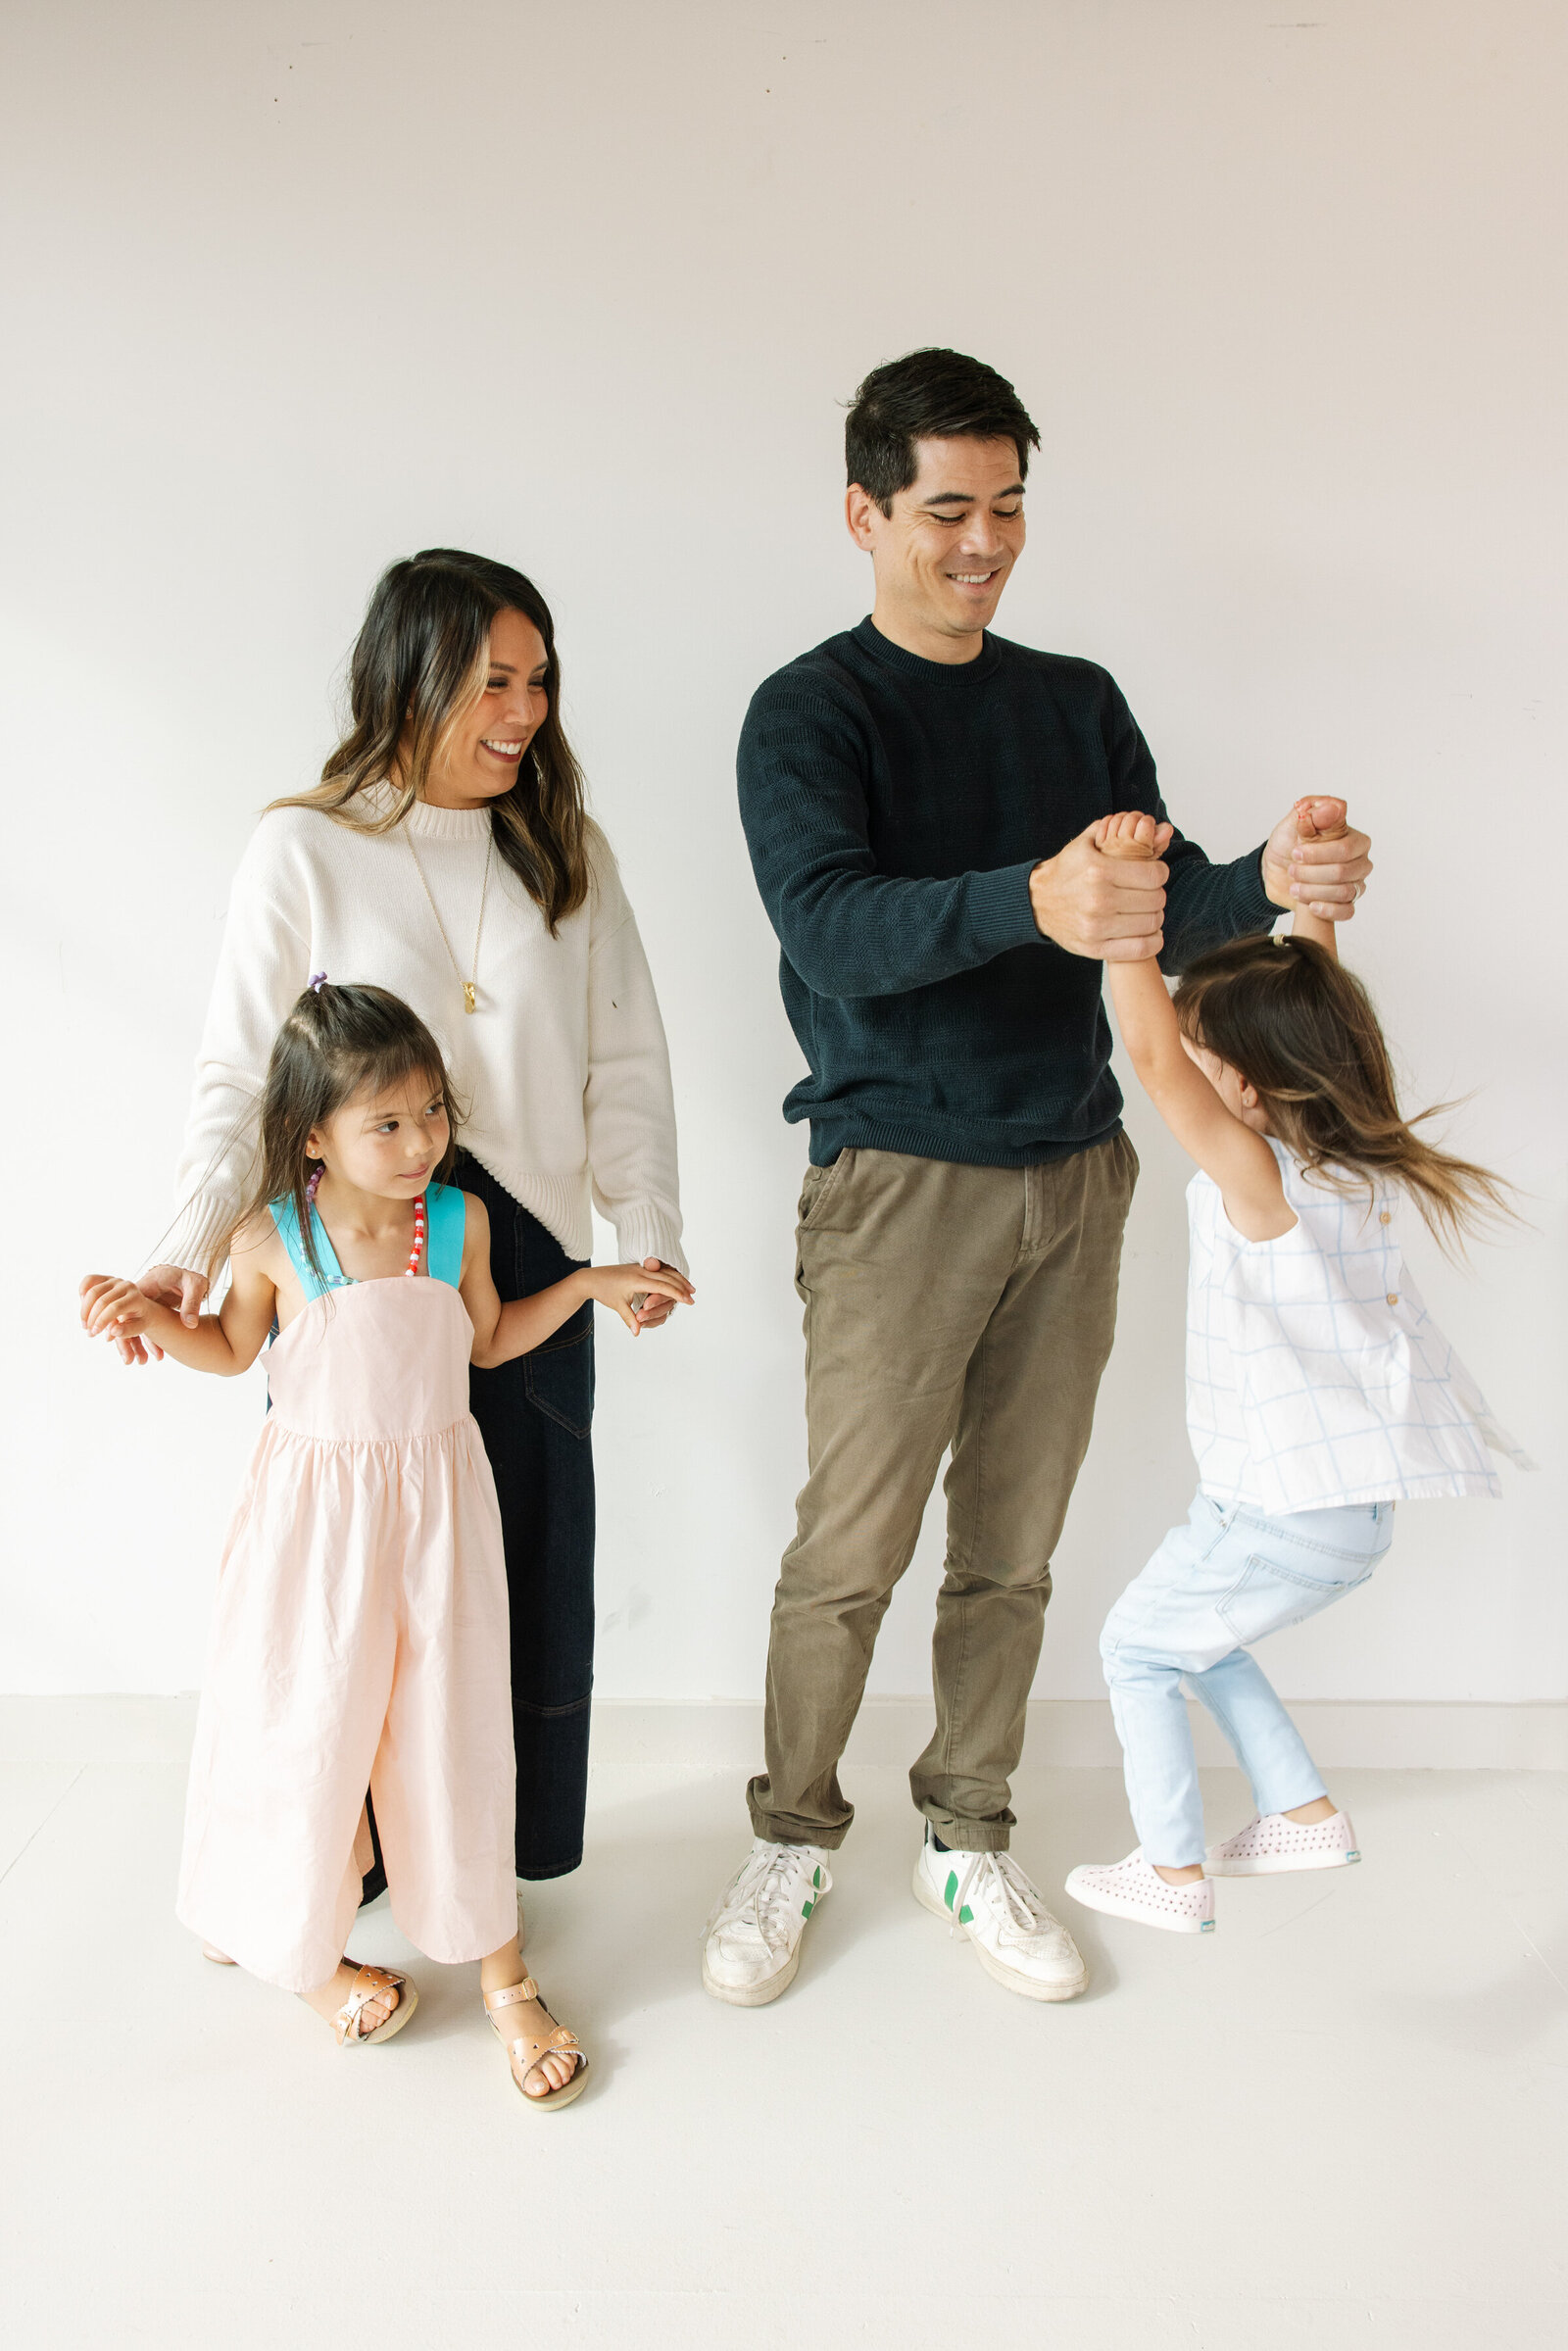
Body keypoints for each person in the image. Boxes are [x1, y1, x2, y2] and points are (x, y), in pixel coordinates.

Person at [703, 347, 1376, 2009]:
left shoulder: (1073, 700)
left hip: (1076, 1172)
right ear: (864, 511)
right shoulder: (811, 710)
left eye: (1007, 506)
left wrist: (1270, 883)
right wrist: (1030, 895)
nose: (983, 541)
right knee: (847, 1550)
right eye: (947, 509)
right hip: (896, 1180)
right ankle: (791, 1832)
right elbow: (832, 926)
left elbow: (1161, 894)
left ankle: (967, 1824)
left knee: (1011, 1546)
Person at [125, 550, 687, 1896]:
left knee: (524, 1576)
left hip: (530, 1252)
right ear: (410, 676)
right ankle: (345, 1870)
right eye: (492, 679)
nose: (525, 708)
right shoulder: (304, 847)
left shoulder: (566, 851)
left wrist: (649, 1228)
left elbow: (627, 1061)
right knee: (354, 1583)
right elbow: (240, 1077)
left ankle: (490, 1867)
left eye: (540, 679)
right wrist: (183, 1254)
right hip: (355, 1269)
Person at [81, 980, 692, 2098]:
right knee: (306, 1728)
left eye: (431, 1115)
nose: (420, 1144)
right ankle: (297, 1949)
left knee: (451, 1730)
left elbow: (494, 1338)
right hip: (313, 1532)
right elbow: (227, 1351)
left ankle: (502, 1971)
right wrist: (151, 1316)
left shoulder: (455, 1224)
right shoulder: (271, 1236)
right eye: (387, 1123)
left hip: (437, 1522)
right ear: (314, 1132)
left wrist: (594, 1281)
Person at [1064, 806, 1528, 1933]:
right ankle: (1300, 1808)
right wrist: (1309, 904)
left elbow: (1151, 1064)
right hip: (1324, 1506)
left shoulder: (1257, 1178)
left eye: (1209, 1056)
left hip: (1278, 1507)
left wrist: (1126, 922)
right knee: (1196, 1637)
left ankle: (1171, 1873)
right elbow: (1313, 1001)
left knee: (1132, 1647)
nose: (1192, 1067)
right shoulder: (1345, 1158)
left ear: (1251, 1089)